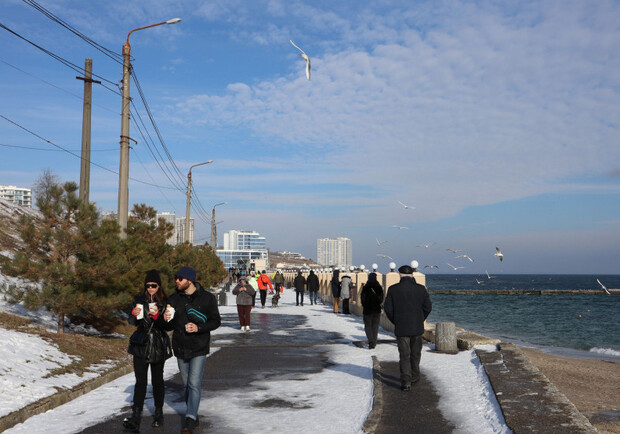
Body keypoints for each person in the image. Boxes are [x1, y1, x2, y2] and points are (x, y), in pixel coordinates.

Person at [163, 266, 221, 434]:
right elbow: (168, 325)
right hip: (180, 346)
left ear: (189, 280)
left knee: (194, 384)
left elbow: (215, 321)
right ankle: (193, 413)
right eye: (176, 278)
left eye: (179, 278)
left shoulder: (207, 298)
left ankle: (190, 418)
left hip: (199, 347)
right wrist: (166, 318)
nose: (176, 281)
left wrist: (198, 327)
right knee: (186, 385)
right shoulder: (173, 299)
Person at [123, 269, 172, 432]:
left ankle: (158, 413)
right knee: (141, 382)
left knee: (158, 381)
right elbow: (133, 322)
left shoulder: (165, 301)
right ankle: (136, 417)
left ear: (159, 286)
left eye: (154, 285)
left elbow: (167, 326)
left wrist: (158, 316)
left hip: (157, 343)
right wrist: (133, 314)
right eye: (148, 285)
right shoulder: (139, 300)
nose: (151, 288)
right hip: (141, 344)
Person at [384, 264, 432, 391]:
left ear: (399, 275)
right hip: (416, 327)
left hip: (402, 328)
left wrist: (396, 320)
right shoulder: (421, 289)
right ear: (412, 275)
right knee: (415, 353)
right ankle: (415, 377)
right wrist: (420, 319)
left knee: (404, 355)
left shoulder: (393, 289)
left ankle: (405, 381)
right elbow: (428, 307)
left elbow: (388, 308)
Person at [360, 272, 384, 349]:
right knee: (375, 326)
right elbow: (381, 299)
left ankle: (371, 342)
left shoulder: (365, 287)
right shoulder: (379, 287)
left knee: (368, 326)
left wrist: (365, 305)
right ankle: (374, 341)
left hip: (367, 310)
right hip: (376, 310)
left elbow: (362, 299)